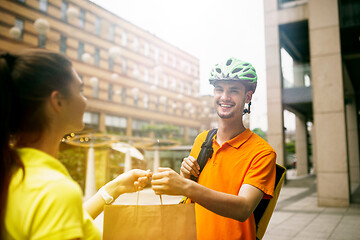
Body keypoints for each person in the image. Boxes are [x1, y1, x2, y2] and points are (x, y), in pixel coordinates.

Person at [0, 49, 151, 239]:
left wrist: (115, 187)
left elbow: (60, 223)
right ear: (58, 102)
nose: (85, 101)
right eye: (80, 90)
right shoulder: (55, 190)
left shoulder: (13, 172)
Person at [152, 57, 276, 240]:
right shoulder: (203, 139)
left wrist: (184, 185)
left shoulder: (262, 152)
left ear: (247, 97)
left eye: (233, 91)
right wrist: (186, 175)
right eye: (219, 89)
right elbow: (194, 191)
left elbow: (243, 208)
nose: (224, 97)